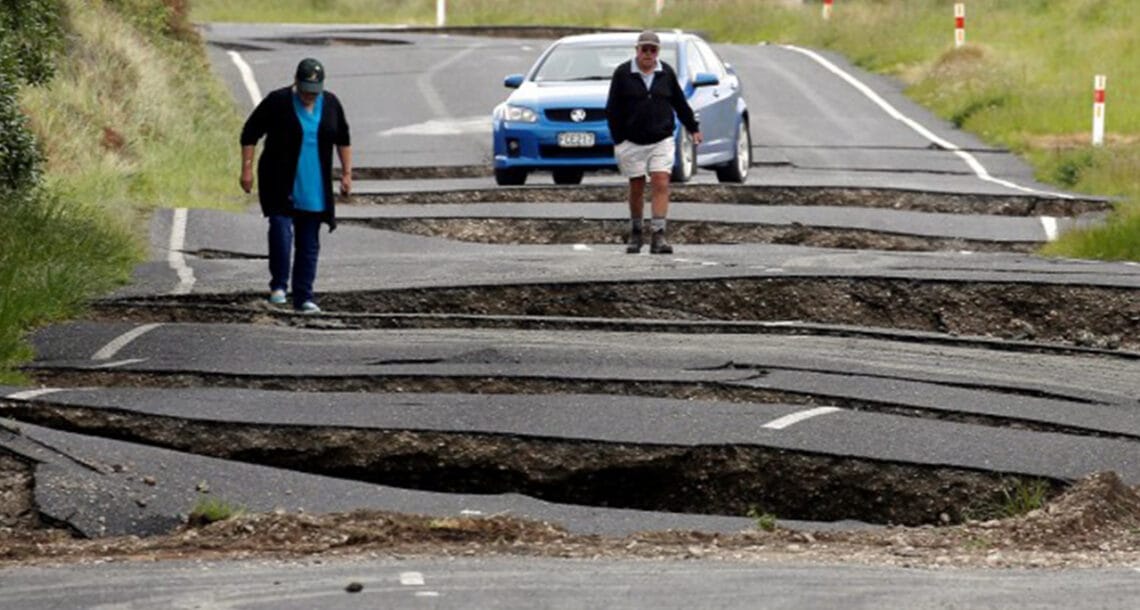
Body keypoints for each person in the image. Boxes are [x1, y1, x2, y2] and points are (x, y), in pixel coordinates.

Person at [240, 57, 352, 313]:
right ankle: (278, 286)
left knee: (309, 241)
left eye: (314, 92)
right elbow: (250, 132)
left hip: (314, 183)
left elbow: (343, 139)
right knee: (280, 229)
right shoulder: (277, 101)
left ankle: (304, 296)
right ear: (295, 83)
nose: (309, 97)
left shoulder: (332, 104)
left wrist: (346, 174)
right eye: (304, 91)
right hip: (279, 180)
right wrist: (246, 169)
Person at [605, 30, 702, 255]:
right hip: (631, 141)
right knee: (637, 185)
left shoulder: (666, 72)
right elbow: (612, 109)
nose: (648, 54)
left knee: (660, 181)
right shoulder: (622, 73)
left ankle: (658, 235)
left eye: (653, 50)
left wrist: (693, 128)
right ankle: (636, 231)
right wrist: (618, 138)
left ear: (658, 52)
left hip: (661, 138)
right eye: (644, 49)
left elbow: (679, 103)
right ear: (637, 50)